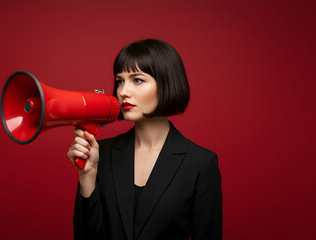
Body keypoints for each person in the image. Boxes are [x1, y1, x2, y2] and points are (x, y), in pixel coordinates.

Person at [67, 39, 222, 240]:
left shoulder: (200, 163)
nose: (123, 92)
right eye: (120, 81)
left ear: (167, 83)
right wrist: (87, 176)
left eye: (137, 80)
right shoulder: (101, 154)